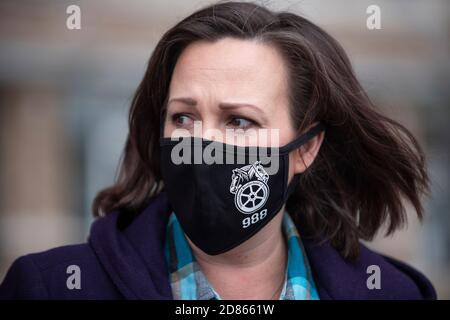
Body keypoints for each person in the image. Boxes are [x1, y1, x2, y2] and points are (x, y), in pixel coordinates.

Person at [0, 1, 436, 300]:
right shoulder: (52, 287)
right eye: (183, 118)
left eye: (239, 121)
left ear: (306, 148)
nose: (201, 144)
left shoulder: (393, 292)